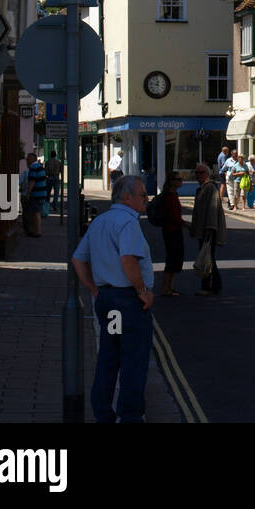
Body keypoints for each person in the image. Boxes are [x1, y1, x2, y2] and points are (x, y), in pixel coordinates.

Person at [70, 176, 154, 422]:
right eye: (141, 194)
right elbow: (128, 259)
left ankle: (103, 413)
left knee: (109, 356)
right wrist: (142, 291)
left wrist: (95, 291)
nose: (145, 199)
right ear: (126, 197)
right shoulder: (127, 223)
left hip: (108, 301)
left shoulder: (101, 221)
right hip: (128, 301)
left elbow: (78, 259)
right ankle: (130, 416)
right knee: (133, 360)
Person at [190, 164, 226, 296]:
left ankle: (209, 287)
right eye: (196, 173)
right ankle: (214, 286)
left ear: (207, 174)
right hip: (203, 230)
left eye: (200, 173)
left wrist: (210, 229)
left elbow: (212, 208)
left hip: (208, 231)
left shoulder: (210, 188)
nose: (198, 175)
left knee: (207, 259)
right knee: (208, 258)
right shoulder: (202, 188)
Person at [160, 172, 185, 296]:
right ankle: (166, 288)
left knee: (174, 258)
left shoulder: (173, 194)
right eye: (178, 179)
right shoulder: (170, 196)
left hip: (173, 229)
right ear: (172, 181)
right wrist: (188, 225)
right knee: (171, 258)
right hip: (171, 230)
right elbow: (174, 217)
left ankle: (170, 287)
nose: (181, 181)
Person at [26, 153, 50, 229]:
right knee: (37, 212)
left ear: (31, 159)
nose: (26, 161)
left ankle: (37, 231)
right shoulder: (40, 167)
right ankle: (36, 230)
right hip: (42, 193)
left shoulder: (33, 167)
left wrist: (28, 193)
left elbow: (32, 182)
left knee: (36, 212)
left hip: (36, 194)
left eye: (28, 159)